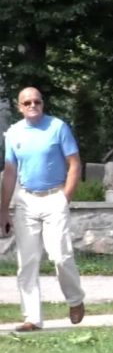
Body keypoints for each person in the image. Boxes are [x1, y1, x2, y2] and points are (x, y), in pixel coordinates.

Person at [0, 87, 85, 331]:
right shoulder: (14, 132)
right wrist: (3, 209)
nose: (32, 105)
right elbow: (10, 173)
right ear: (20, 106)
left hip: (54, 197)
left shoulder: (57, 127)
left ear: (43, 103)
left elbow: (74, 164)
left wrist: (65, 197)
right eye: (27, 102)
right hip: (26, 200)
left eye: (37, 101)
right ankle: (32, 318)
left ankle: (75, 299)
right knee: (27, 262)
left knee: (60, 255)